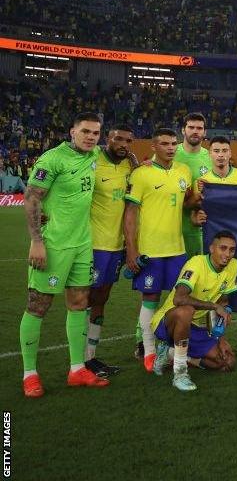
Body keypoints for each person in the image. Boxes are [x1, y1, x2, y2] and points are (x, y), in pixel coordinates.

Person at [21, 112, 109, 397]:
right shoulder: (52, 159)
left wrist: (134, 159)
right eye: (85, 131)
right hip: (54, 244)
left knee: (79, 302)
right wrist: (36, 241)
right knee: (39, 304)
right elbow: (33, 197)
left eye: (95, 133)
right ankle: (30, 374)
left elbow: (114, 152)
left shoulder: (95, 153)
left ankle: (76, 369)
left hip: (83, 243)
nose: (90, 137)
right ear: (72, 131)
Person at [124, 128, 195, 373]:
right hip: (150, 251)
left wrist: (200, 203)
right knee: (150, 299)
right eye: (165, 144)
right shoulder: (141, 174)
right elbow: (130, 214)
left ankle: (170, 348)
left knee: (178, 301)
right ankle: (149, 351)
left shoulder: (184, 171)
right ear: (154, 146)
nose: (171, 147)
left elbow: (189, 201)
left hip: (177, 249)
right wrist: (131, 250)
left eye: (174, 143)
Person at [150, 231, 237, 391]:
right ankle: (180, 373)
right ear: (212, 248)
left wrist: (220, 338)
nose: (227, 254)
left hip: (192, 327)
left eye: (231, 250)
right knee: (186, 311)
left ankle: (170, 352)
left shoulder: (233, 266)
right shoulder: (196, 263)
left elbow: (223, 303)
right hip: (167, 322)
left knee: (227, 363)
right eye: (223, 248)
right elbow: (179, 299)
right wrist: (214, 306)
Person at [85, 123, 136, 378]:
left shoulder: (130, 164)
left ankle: (90, 358)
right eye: (118, 139)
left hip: (116, 246)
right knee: (84, 300)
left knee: (101, 299)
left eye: (128, 141)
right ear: (108, 139)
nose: (123, 145)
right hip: (93, 245)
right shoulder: (92, 159)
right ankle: (80, 359)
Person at [193, 136, 237, 354]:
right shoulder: (202, 181)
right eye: (216, 150)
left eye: (224, 150)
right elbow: (193, 213)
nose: (220, 154)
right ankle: (214, 340)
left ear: (230, 153)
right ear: (209, 154)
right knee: (213, 292)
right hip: (214, 243)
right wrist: (196, 218)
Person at [174, 113, 213, 258]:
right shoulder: (170, 153)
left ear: (205, 132)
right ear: (183, 130)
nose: (195, 131)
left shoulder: (210, 158)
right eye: (191, 127)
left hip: (198, 230)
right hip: (170, 230)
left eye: (199, 128)